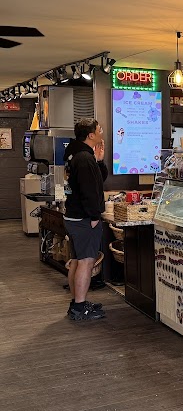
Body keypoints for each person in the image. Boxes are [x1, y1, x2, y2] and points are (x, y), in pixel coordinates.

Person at [63, 118, 108, 320]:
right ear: (91, 135)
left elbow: (97, 180)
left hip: (73, 216)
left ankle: (76, 302)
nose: (101, 132)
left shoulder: (77, 154)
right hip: (83, 219)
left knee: (76, 260)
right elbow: (90, 191)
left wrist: (99, 161)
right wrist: (94, 216)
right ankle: (80, 308)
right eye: (99, 130)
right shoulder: (83, 157)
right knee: (86, 261)